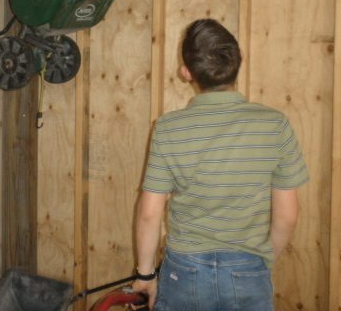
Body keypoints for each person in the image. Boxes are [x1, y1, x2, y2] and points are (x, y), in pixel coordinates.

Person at [131, 19, 309, 311]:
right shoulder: (275, 125)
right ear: (240, 58)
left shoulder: (168, 128)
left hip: (184, 271)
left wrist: (145, 275)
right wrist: (259, 262)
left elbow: (150, 215)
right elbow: (287, 217)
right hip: (249, 267)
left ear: (186, 72)